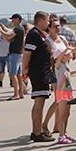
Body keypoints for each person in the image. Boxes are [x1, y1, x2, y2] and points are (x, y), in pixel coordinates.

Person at [22, 11, 54, 142]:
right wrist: (25, 69)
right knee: (39, 102)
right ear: (41, 21)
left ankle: (39, 130)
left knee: (41, 101)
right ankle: (36, 132)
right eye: (47, 21)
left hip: (43, 72)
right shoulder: (34, 34)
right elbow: (27, 53)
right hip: (38, 72)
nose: (48, 24)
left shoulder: (40, 35)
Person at [50, 19, 76, 144]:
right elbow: (58, 59)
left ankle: (64, 132)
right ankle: (61, 135)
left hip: (68, 89)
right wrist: (65, 50)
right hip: (62, 91)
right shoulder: (58, 65)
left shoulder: (65, 66)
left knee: (67, 113)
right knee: (61, 113)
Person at [0, 14, 25, 99]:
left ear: (17, 19)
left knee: (13, 74)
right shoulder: (20, 29)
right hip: (18, 53)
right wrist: (4, 30)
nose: (12, 21)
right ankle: (20, 93)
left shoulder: (18, 29)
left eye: (13, 19)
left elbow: (8, 36)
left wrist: (1, 31)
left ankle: (16, 93)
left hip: (15, 53)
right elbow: (9, 39)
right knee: (19, 75)